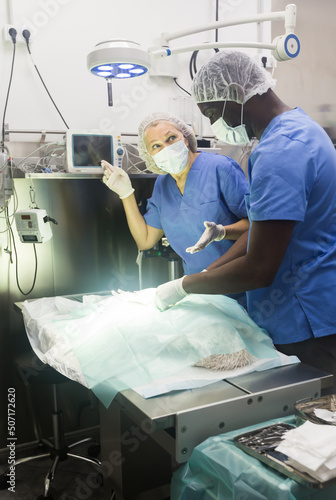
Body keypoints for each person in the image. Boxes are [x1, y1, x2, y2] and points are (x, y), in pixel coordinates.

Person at [155, 50, 336, 394]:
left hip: (307, 320)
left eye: (212, 113)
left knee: (312, 429)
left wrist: (183, 287)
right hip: (313, 309)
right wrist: (207, 275)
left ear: (235, 92)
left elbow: (260, 268)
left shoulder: (280, 150)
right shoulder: (298, 130)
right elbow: (259, 229)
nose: (213, 125)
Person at [101, 111, 249, 306]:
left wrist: (222, 232)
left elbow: (257, 225)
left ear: (185, 138)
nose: (167, 148)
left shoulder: (220, 168)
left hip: (240, 288)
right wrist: (126, 194)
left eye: (171, 138)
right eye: (156, 146)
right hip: (199, 292)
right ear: (150, 156)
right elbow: (145, 240)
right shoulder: (163, 185)